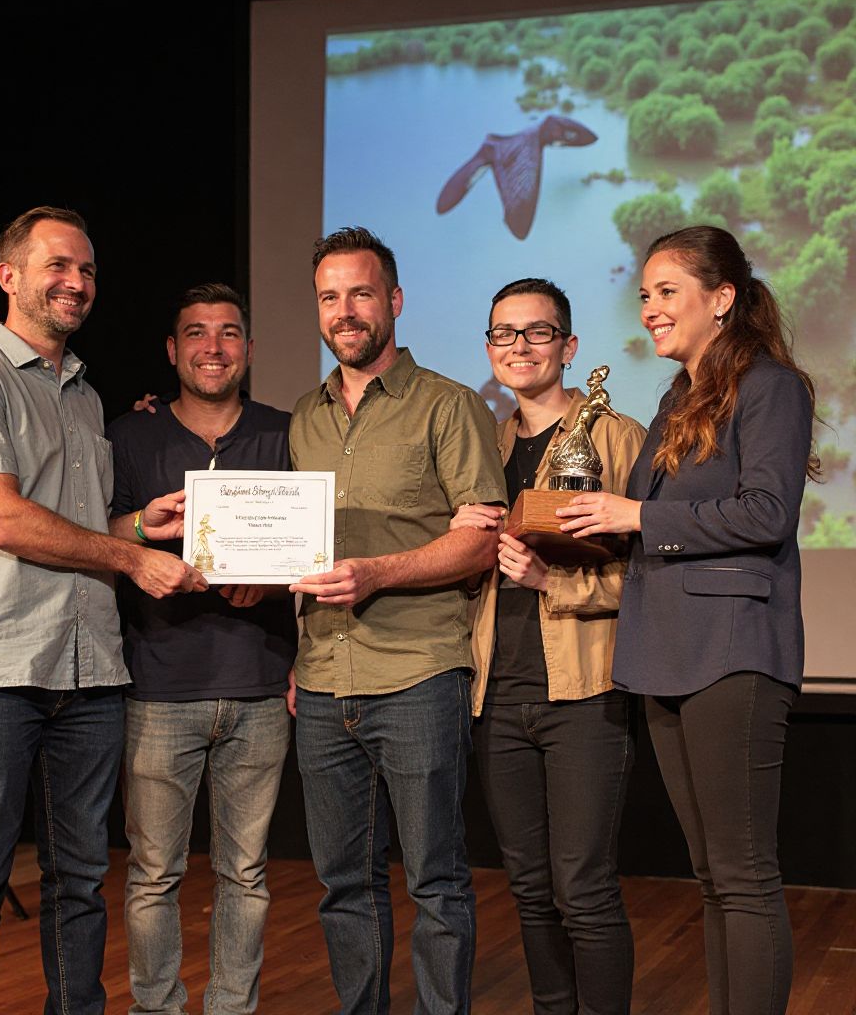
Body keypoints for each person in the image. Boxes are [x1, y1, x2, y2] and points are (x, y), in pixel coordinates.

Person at [0, 206, 207, 1015]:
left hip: (88, 669)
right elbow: (5, 520)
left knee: (80, 881)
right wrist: (132, 557)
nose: (76, 282)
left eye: (86, 269)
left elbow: (78, 528)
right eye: (57, 266)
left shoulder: (84, 396)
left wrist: (141, 526)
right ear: (9, 276)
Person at [556, 226, 817, 1015]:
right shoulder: (676, 397)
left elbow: (766, 513)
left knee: (743, 875)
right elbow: (655, 516)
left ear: (723, 298)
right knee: (712, 876)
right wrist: (567, 530)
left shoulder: (772, 386)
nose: (650, 310)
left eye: (668, 292)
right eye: (644, 295)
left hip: (732, 652)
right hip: (664, 649)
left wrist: (633, 514)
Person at [288, 227, 507, 1014]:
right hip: (320, 684)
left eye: (361, 293)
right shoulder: (302, 419)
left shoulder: (449, 405)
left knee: (437, 881)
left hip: (416, 675)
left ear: (395, 302)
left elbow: (481, 541)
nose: (345, 311)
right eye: (329, 296)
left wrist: (379, 573)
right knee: (343, 886)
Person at [449, 278, 645, 1015]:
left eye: (538, 332)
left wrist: (547, 582)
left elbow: (649, 580)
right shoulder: (481, 442)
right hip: (497, 696)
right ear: (490, 348)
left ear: (569, 346)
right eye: (505, 333)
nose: (520, 346)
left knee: (583, 888)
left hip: (585, 695)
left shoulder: (617, 436)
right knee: (529, 888)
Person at [107, 283, 295, 1015]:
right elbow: (99, 534)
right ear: (171, 350)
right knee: (153, 874)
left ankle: (231, 1008)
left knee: (245, 873)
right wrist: (138, 529)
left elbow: (312, 550)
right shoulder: (130, 435)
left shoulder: (286, 431)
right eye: (196, 333)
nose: (212, 348)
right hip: (157, 686)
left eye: (227, 333)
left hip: (259, 682)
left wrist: (271, 586)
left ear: (246, 348)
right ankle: (156, 1008)